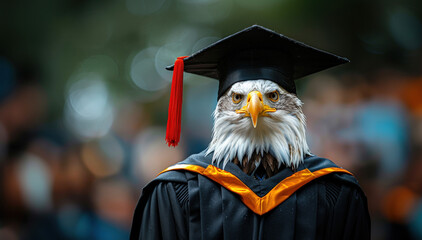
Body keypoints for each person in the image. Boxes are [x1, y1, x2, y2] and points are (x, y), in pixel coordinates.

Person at [130, 25, 370, 240]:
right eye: (237, 98)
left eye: (273, 96)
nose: (254, 105)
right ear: (219, 109)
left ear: (296, 108)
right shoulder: (175, 190)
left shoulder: (337, 191)